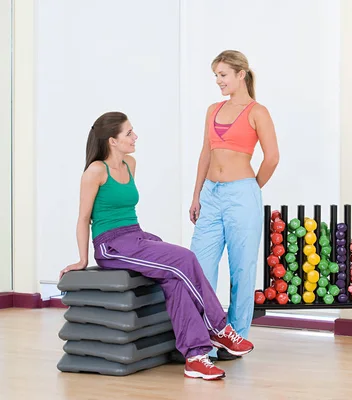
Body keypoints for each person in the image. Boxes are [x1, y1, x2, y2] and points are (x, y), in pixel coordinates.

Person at [59, 111, 253, 380]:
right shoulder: (95, 171)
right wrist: (81, 259)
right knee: (184, 258)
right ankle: (218, 328)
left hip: (135, 235)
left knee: (175, 279)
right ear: (112, 140)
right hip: (111, 245)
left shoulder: (130, 164)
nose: (134, 136)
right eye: (128, 133)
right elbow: (83, 218)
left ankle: (196, 357)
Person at [189, 50, 279, 361]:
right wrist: (196, 194)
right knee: (199, 267)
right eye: (216, 75)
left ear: (241, 74)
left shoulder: (257, 112)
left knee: (242, 269)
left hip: (242, 195)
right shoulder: (212, 109)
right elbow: (205, 154)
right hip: (211, 196)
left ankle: (235, 336)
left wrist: (251, 188)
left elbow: (272, 158)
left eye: (223, 75)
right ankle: (200, 335)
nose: (218, 81)